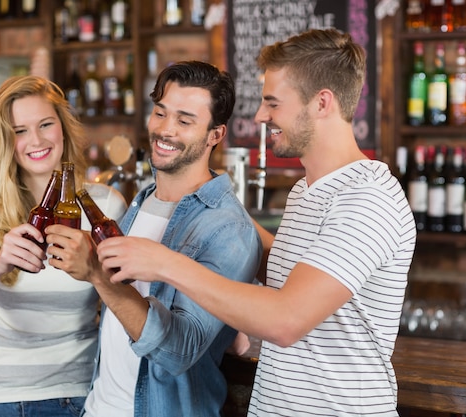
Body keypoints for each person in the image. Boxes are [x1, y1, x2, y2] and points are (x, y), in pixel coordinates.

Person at [92, 29, 417, 416]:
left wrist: (164, 261)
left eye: (273, 103)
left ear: (322, 103)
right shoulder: (306, 192)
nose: (261, 116)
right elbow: (286, 268)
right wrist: (210, 209)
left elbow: (285, 319)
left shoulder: (367, 198)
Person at [46, 60, 262, 417]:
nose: (165, 130)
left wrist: (97, 274)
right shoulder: (144, 198)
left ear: (216, 135)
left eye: (184, 120)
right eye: (160, 113)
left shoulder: (228, 229)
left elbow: (178, 351)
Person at [0, 75, 127, 417]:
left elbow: (128, 298)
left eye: (45, 125)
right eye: (20, 130)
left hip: (79, 395)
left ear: (64, 129)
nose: (35, 140)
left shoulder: (106, 205)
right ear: (6, 140)